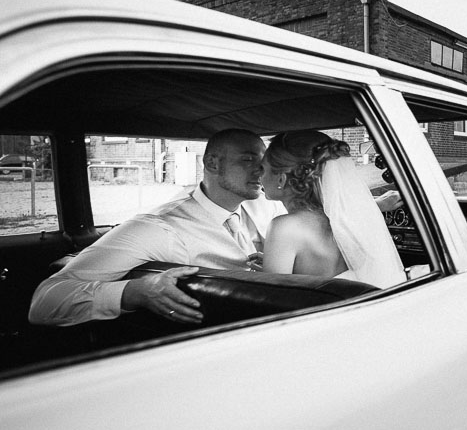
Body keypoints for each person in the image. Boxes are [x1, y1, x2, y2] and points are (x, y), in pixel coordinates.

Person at [29, 128, 283, 327]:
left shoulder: (266, 207)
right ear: (213, 163)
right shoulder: (159, 227)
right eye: (248, 160)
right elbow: (46, 301)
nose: (261, 170)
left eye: (263, 161)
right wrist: (137, 291)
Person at [260, 130, 406, 288]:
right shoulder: (349, 217)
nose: (258, 175)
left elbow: (274, 295)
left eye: (262, 169)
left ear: (281, 179)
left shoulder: (283, 227)